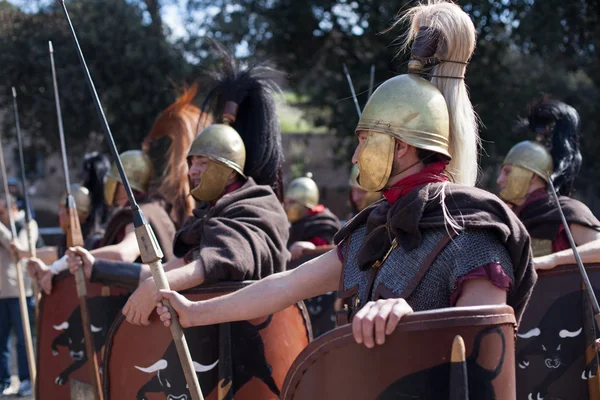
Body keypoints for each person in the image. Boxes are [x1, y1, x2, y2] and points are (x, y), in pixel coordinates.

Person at [153, 1, 536, 350]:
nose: (355, 156)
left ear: (400, 146)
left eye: (366, 141)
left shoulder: (473, 234)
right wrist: (193, 312)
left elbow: (487, 351)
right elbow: (283, 286)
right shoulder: (373, 230)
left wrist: (412, 319)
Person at [67, 54, 290, 326]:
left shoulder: (258, 205)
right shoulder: (211, 213)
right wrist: (98, 268)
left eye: (204, 163)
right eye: (192, 162)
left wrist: (154, 288)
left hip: (250, 345)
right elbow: (172, 269)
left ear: (230, 169)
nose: (193, 171)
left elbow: (220, 259)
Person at [496, 101, 600, 270]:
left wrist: (554, 259)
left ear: (532, 177)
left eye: (508, 172)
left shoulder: (566, 211)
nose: (499, 180)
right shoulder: (507, 217)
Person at [25, 184, 103, 295]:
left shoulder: (96, 241)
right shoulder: (64, 241)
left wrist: (53, 269)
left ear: (83, 213)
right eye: (60, 208)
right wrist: (46, 270)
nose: (60, 213)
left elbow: (78, 260)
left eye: (65, 209)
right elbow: (64, 266)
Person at [0, 194, 37, 397]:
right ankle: (3, 380)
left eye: (2, 212)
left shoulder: (27, 224)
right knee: (1, 341)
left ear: (13, 208)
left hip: (20, 292)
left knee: (23, 340)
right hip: (1, 293)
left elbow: (20, 249)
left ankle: (26, 379)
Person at [285, 173, 341, 260]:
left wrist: (311, 247)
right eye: (286, 202)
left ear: (305, 205)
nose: (287, 207)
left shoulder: (324, 223)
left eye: (292, 202)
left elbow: (328, 254)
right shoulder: (295, 224)